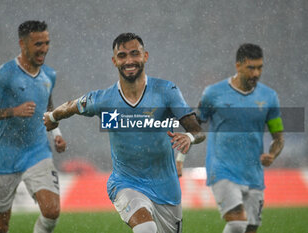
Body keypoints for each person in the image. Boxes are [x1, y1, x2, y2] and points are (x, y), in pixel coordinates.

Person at [43, 33, 205, 233]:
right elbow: (72, 106)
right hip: (125, 183)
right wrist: (52, 118)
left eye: (134, 54)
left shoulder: (166, 91)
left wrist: (188, 137)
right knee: (146, 229)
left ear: (145, 56)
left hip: (166, 189)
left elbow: (198, 131)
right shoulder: (104, 100)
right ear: (114, 61)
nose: (129, 61)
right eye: (122, 56)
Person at [0, 20, 66, 233]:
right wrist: (12, 111)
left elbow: (47, 106)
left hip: (37, 152)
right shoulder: (4, 74)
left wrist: (56, 133)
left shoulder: (49, 75)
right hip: (5, 155)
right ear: (22, 44)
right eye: (38, 44)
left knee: (52, 211)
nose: (44, 49)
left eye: (47, 43)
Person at [196, 43, 284, 233]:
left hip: (253, 173)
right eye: (251, 68)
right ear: (238, 66)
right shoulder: (213, 93)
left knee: (249, 229)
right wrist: (180, 154)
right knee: (237, 224)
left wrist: (273, 154)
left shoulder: (269, 97)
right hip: (221, 169)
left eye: (260, 67)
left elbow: (278, 137)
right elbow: (195, 124)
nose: (256, 74)